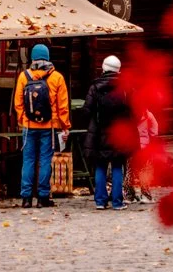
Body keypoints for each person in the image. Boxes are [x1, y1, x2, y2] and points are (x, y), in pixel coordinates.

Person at [14, 43, 71, 208]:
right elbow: (62, 106)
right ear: (47, 57)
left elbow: (18, 103)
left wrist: (24, 119)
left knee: (28, 160)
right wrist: (65, 125)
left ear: (32, 58)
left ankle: (26, 198)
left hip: (29, 126)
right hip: (49, 126)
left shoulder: (24, 76)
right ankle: (42, 197)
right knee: (45, 160)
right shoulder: (57, 77)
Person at [83, 55, 133, 211]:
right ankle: (117, 202)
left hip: (99, 133)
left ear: (103, 68)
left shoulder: (95, 87)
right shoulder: (125, 87)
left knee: (100, 166)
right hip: (119, 133)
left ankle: (100, 201)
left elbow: (87, 110)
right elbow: (133, 111)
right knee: (117, 166)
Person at [125, 108, 158, 203]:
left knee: (130, 171)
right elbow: (154, 130)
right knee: (145, 171)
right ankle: (145, 195)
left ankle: (129, 196)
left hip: (131, 147)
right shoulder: (148, 115)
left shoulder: (129, 115)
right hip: (144, 148)